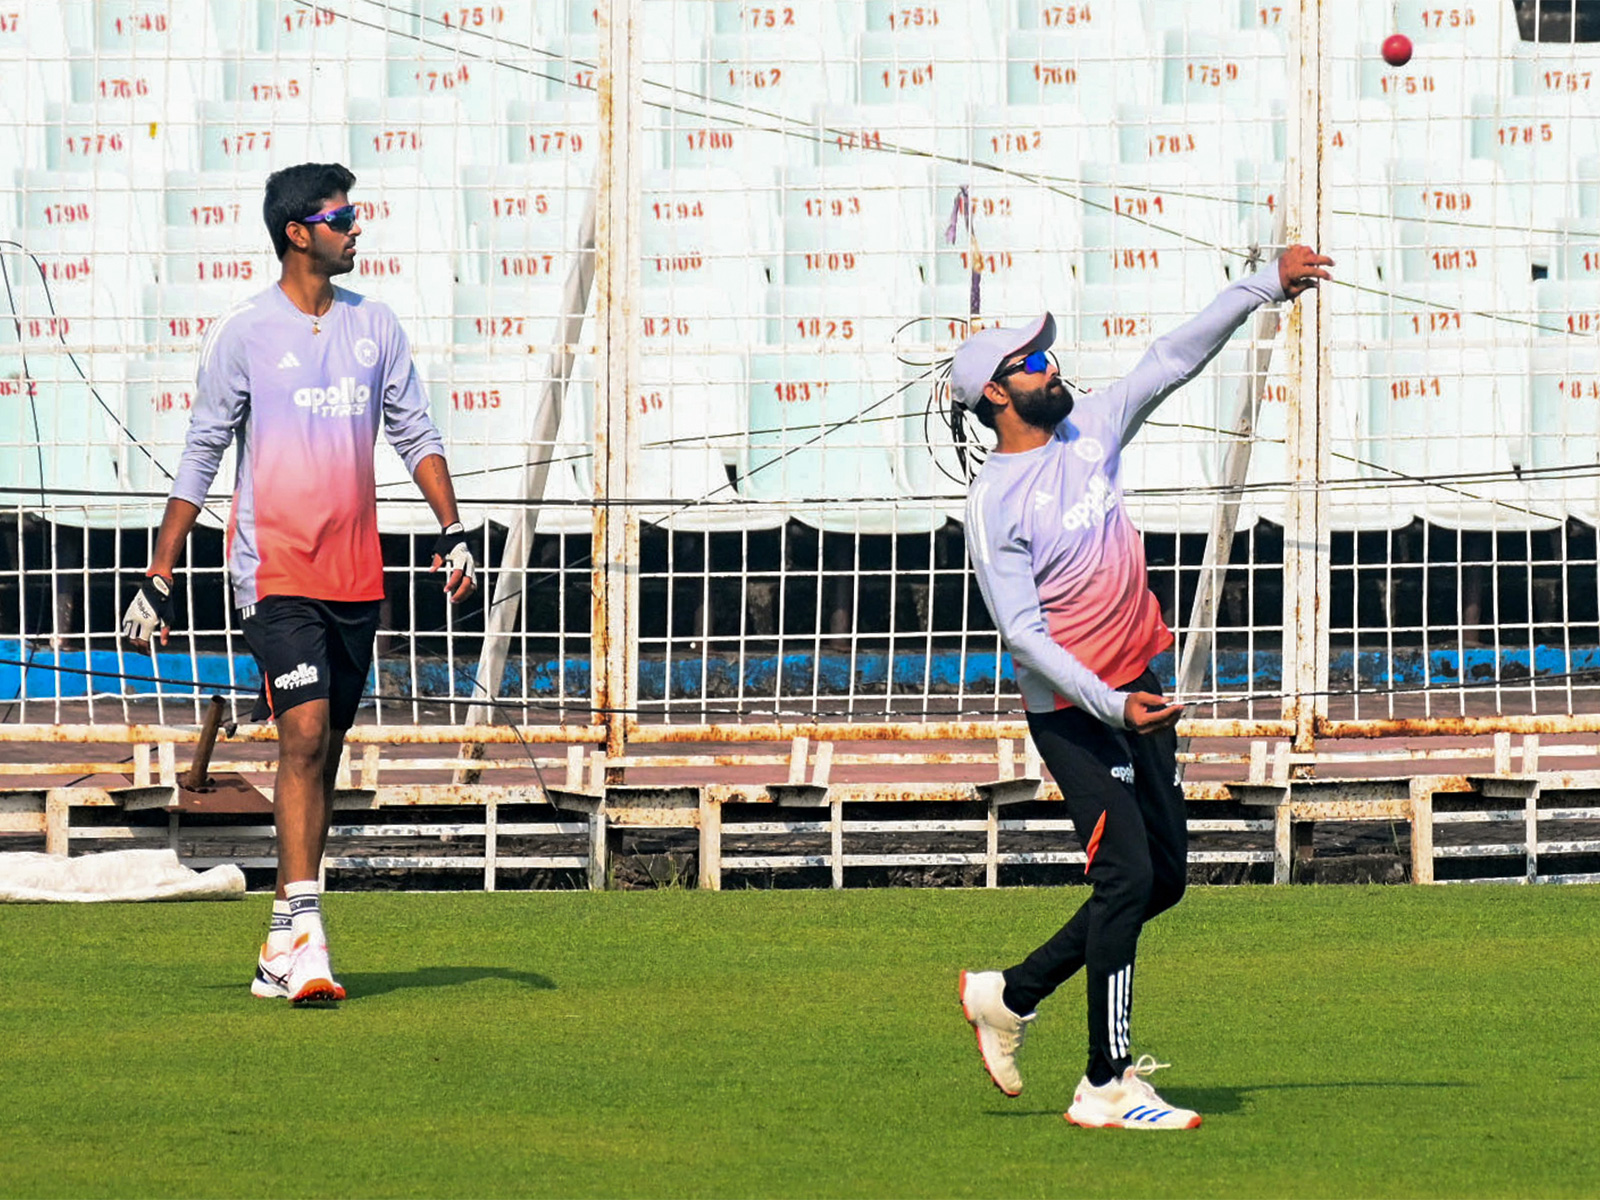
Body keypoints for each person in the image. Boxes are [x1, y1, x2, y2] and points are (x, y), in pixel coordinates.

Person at [954, 245, 1334, 1129]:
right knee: (1126, 878)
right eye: (1034, 361)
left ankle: (1009, 994)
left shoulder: (1088, 429)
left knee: (1162, 881)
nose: (1054, 365)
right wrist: (1108, 703)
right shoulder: (995, 502)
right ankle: (1105, 1083)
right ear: (1000, 396)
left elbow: (1169, 358)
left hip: (1141, 695)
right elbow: (1022, 635)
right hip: (1080, 717)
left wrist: (1264, 286)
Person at [120, 163, 479, 1005]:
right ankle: (311, 938)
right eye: (343, 215)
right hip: (274, 571)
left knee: (319, 756)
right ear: (298, 232)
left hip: (358, 573)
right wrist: (159, 574)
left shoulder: (375, 325)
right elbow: (203, 451)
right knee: (305, 735)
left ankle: (280, 941)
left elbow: (414, 431)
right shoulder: (245, 332)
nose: (358, 228)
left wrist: (454, 530)